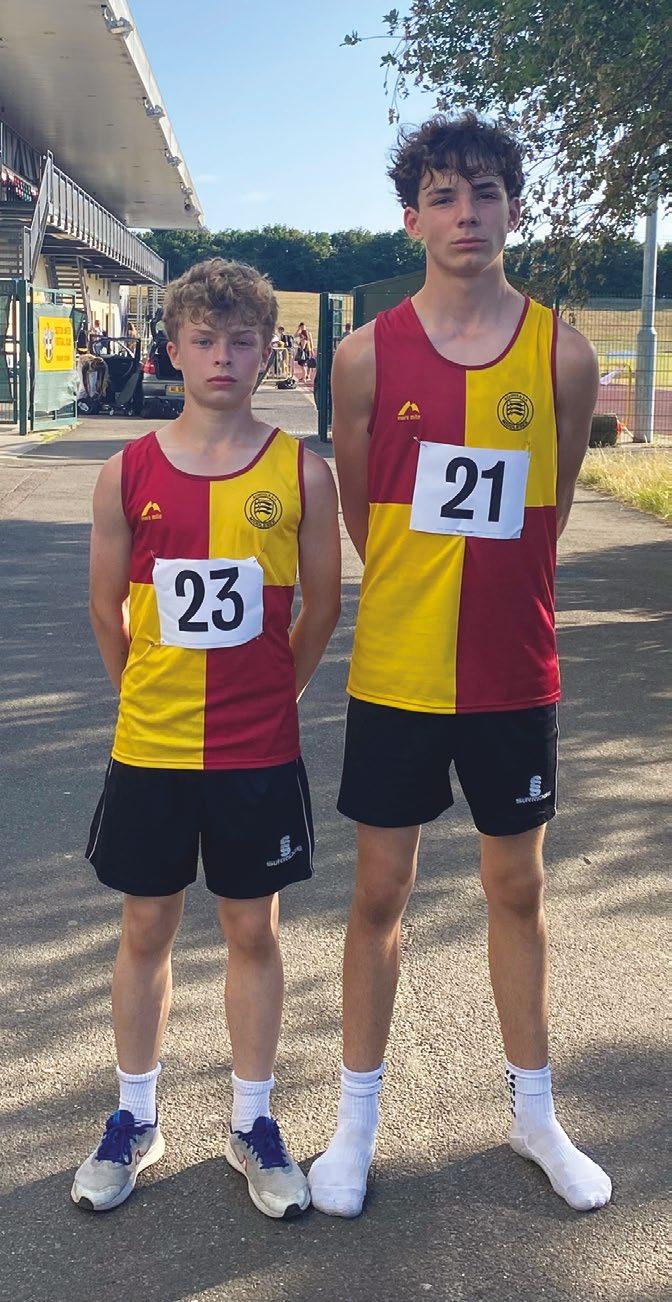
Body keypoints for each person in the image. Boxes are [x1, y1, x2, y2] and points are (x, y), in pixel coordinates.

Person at [308, 113, 612, 1218]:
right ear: (412, 219)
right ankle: (355, 1124)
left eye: (485, 193)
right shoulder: (362, 356)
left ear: (513, 209)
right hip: (397, 669)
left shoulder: (563, 354)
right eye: (443, 195)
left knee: (517, 888)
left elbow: (551, 507)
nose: (466, 214)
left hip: (512, 671)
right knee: (377, 892)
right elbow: (363, 510)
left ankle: (536, 1114)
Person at [71, 258, 341, 1219]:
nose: (223, 356)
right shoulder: (127, 471)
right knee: (145, 927)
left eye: (241, 340)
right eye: (204, 340)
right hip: (152, 746)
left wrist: (278, 695)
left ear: (267, 352)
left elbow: (320, 607)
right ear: (174, 350)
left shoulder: (301, 472)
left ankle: (252, 1121)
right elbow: (106, 607)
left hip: (256, 751)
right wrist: (141, 697)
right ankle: (134, 1116)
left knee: (251, 930)